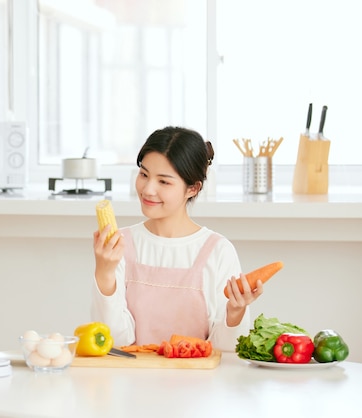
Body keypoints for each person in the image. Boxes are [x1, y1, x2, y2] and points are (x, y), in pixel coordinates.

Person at [91, 126, 262, 352]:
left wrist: (235, 313)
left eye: (164, 182)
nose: (148, 189)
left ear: (192, 188)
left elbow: (226, 351)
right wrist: (104, 272)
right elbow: (113, 341)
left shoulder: (218, 251)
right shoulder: (120, 244)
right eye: (144, 174)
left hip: (199, 384)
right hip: (131, 380)